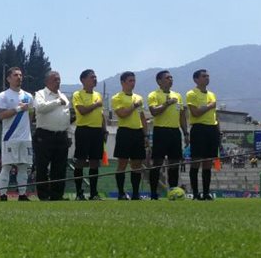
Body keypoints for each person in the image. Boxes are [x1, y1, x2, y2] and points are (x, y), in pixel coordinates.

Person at [147, 70, 188, 200]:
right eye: (167, 78)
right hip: (161, 131)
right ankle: (153, 193)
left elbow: (182, 116)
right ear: (159, 81)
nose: (170, 79)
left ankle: (173, 192)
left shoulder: (178, 95)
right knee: (157, 163)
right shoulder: (154, 95)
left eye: (171, 77)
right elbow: (154, 112)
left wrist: (185, 133)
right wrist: (167, 103)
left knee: (174, 164)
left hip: (175, 132)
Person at [0, 67, 33, 201]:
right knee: (7, 166)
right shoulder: (3, 95)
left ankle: (22, 195)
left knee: (23, 166)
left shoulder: (28, 96)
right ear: (9, 79)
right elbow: (1, 115)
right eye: (16, 75)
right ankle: (3, 195)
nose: (19, 77)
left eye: (21, 75)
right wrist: (18, 109)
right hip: (10, 137)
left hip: (25, 138)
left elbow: (31, 116)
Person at [33, 70, 72, 200]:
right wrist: (57, 102)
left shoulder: (64, 96)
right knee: (42, 166)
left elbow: (66, 115)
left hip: (61, 135)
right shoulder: (40, 94)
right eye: (55, 79)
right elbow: (40, 108)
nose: (58, 82)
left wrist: (68, 132)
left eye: (59, 79)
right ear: (47, 81)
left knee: (60, 167)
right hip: (44, 135)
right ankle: (43, 195)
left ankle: (57, 195)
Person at [110, 71, 148, 200]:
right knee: (122, 163)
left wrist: (145, 135)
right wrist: (134, 105)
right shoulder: (117, 98)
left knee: (137, 164)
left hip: (138, 132)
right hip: (125, 132)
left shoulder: (139, 98)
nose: (133, 83)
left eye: (134, 80)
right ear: (123, 82)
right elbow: (122, 114)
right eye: (130, 80)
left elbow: (142, 117)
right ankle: (121, 193)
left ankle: (136, 194)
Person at [185, 68, 220, 200]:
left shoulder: (212, 94)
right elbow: (195, 112)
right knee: (196, 161)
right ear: (196, 79)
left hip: (212, 129)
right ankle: (195, 193)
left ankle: (206, 193)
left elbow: (216, 115)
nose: (207, 78)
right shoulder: (191, 94)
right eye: (204, 76)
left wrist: (218, 130)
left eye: (208, 76)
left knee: (208, 162)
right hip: (199, 129)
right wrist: (210, 106)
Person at [72, 69, 105, 200]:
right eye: (92, 77)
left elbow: (101, 115)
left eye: (95, 77)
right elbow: (82, 111)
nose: (95, 79)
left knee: (95, 162)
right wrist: (96, 104)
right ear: (83, 80)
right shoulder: (77, 94)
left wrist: (105, 130)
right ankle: (79, 193)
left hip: (97, 131)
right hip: (83, 130)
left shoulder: (98, 94)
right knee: (80, 161)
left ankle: (93, 193)